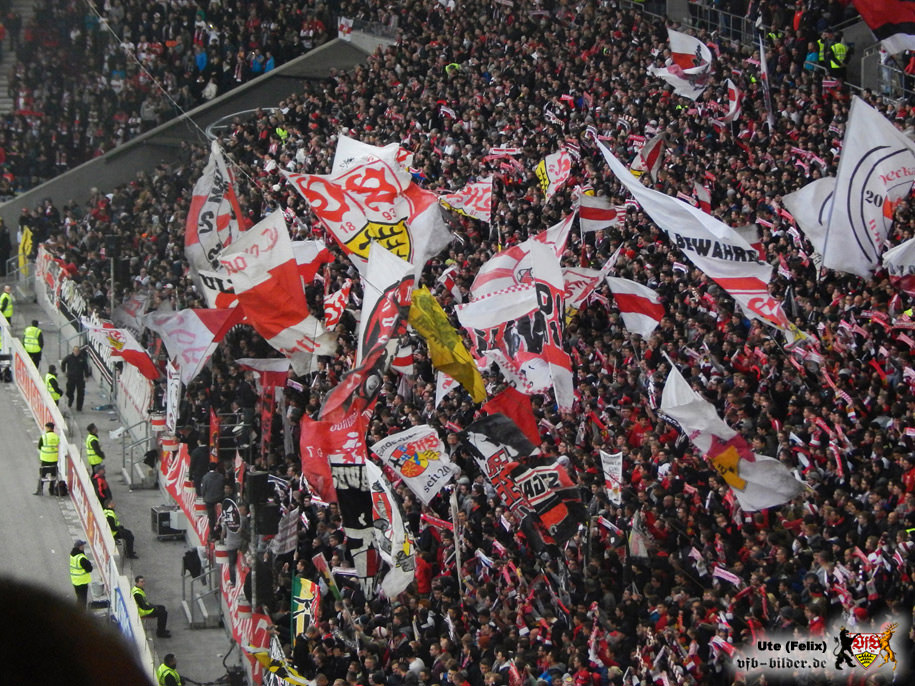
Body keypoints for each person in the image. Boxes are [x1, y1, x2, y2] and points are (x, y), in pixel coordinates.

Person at [200, 462, 225, 541]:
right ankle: (220, 532)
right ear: (216, 468)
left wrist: (204, 496)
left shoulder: (205, 477)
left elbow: (203, 490)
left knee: (211, 518)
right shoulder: (221, 476)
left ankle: (213, 535)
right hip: (219, 498)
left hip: (209, 500)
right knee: (220, 517)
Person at [61, 345, 90, 411]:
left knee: (80, 393)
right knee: (69, 392)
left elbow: (86, 367)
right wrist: (64, 371)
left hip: (80, 378)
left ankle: (79, 407)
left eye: (77, 351)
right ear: (73, 351)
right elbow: (63, 363)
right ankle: (70, 401)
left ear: (79, 351)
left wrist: (86, 376)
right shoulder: (69, 357)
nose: (76, 352)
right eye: (75, 351)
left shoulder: (82, 358)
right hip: (71, 378)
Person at [34, 421, 58, 496]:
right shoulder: (56, 437)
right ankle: (51, 490)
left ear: (49, 428)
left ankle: (39, 490)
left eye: (46, 428)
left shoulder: (44, 437)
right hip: (54, 460)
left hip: (45, 459)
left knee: (42, 475)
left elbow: (39, 446)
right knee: (53, 475)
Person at [70, 540, 92, 607]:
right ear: (80, 547)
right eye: (82, 545)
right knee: (83, 600)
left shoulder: (73, 555)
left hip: (75, 581)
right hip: (82, 582)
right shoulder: (81, 558)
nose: (84, 546)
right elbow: (89, 569)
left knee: (79, 598)